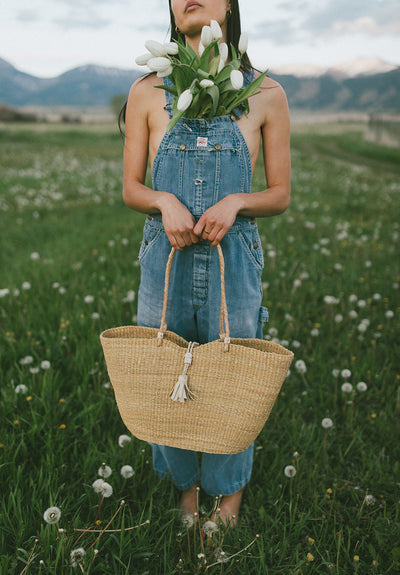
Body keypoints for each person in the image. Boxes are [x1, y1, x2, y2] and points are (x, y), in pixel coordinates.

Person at [121, 0, 290, 525]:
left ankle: (228, 491)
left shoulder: (264, 92)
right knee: (164, 367)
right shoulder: (148, 90)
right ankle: (186, 488)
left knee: (230, 373)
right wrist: (163, 201)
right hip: (164, 257)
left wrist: (238, 201)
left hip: (233, 256)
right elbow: (130, 188)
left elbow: (280, 193)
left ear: (231, 6)